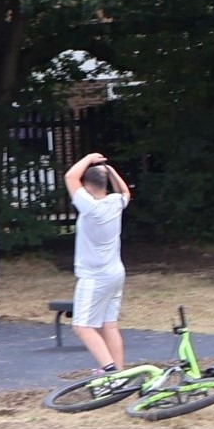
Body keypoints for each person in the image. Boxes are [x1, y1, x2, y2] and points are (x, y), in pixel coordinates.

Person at [64, 151, 133, 375]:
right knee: (109, 325)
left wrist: (89, 158)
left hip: (94, 276)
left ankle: (110, 370)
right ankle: (120, 373)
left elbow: (69, 177)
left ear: (87, 186)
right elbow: (125, 192)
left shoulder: (90, 207)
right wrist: (111, 170)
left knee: (82, 326)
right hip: (115, 273)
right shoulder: (115, 202)